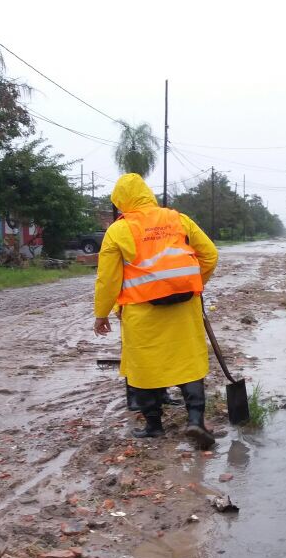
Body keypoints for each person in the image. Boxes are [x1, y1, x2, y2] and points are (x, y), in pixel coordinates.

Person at [93, 173, 219, 447]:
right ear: (147, 194)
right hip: (184, 308)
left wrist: (101, 313)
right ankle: (195, 420)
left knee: (144, 367)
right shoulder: (178, 219)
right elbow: (210, 255)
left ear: (121, 201)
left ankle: (154, 426)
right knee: (188, 362)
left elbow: (108, 278)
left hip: (142, 311)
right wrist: (194, 283)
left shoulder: (119, 230)